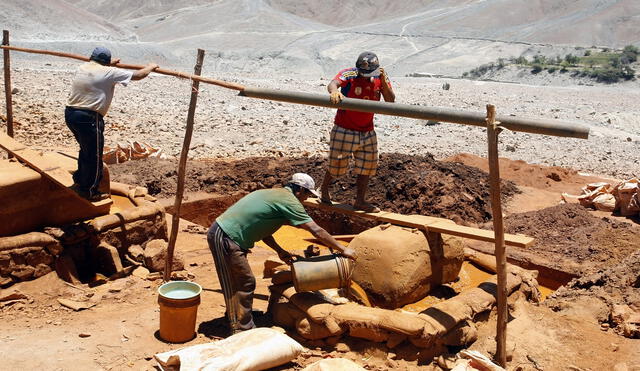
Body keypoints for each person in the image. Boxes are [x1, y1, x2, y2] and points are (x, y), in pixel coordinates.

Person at [207, 173, 356, 334]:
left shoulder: (276, 195)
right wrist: (344, 249)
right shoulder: (289, 201)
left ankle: (238, 317)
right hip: (225, 236)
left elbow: (263, 230)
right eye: (306, 194)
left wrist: (280, 251)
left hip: (229, 236)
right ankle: (241, 329)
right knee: (241, 282)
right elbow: (316, 230)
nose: (306, 199)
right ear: (299, 189)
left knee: (241, 281)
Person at [65, 47, 158, 201]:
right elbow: (139, 75)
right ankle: (90, 191)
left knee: (86, 149)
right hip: (89, 118)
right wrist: (151, 66)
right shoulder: (109, 73)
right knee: (94, 155)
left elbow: (99, 70)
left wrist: (109, 64)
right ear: (106, 63)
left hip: (70, 114)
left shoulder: (83, 67)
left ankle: (80, 182)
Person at [320, 51, 395, 213]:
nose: (365, 76)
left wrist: (382, 80)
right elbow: (333, 83)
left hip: (367, 130)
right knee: (337, 164)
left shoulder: (380, 77)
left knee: (367, 166)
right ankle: (324, 189)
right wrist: (334, 91)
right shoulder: (350, 73)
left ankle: (360, 201)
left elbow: (390, 101)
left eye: (370, 73)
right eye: (363, 73)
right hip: (344, 128)